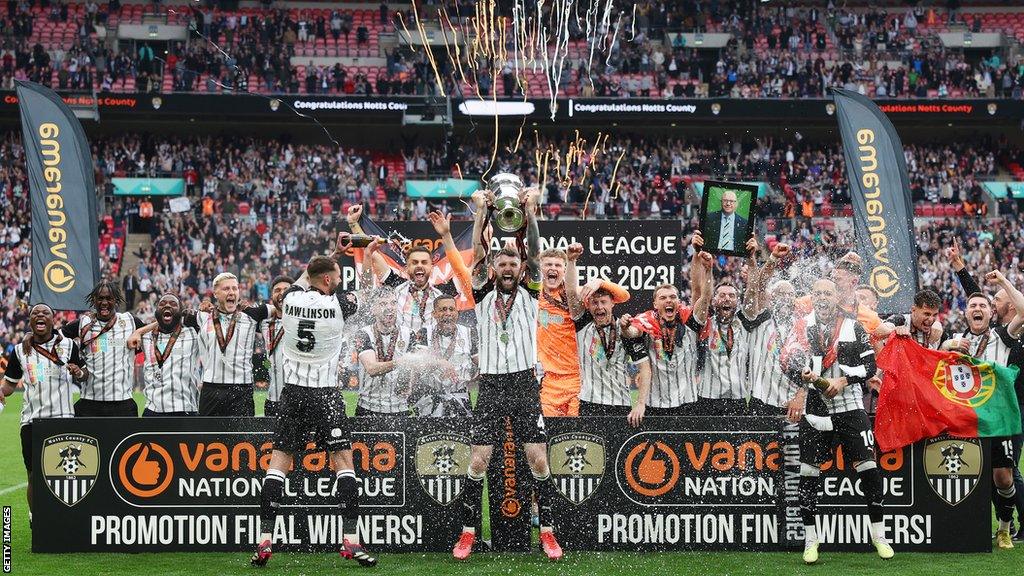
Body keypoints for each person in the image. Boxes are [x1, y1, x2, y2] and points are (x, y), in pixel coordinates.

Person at [452, 186, 563, 561]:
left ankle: (547, 532)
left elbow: (533, 250)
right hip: (492, 385)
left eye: (513, 264)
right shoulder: (481, 294)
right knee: (479, 460)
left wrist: (530, 212)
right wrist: (481, 211)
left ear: (520, 269)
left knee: (538, 459)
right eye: (503, 264)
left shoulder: (532, 293)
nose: (508, 267)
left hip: (523, 383)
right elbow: (479, 255)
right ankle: (468, 532)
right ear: (495, 269)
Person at [252, 238, 377, 568]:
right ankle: (350, 539)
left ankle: (265, 539)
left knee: (278, 464)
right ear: (328, 280)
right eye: (336, 275)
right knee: (343, 463)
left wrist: (334, 254)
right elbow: (365, 293)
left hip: (292, 394)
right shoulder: (338, 305)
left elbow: (306, 275)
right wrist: (368, 254)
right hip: (326, 394)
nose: (339, 279)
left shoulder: (290, 299)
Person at [782, 278, 893, 564]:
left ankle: (879, 535)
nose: (822, 297)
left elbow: (870, 366)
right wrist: (803, 378)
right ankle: (811, 539)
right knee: (808, 473)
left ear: (835, 297)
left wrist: (844, 379)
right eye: (817, 292)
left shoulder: (852, 325)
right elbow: (788, 361)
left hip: (850, 406)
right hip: (815, 409)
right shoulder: (801, 326)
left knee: (868, 468)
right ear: (812, 297)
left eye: (827, 293)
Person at [939, 271, 1024, 550]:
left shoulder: (1002, 336)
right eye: (972, 306)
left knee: (1004, 476)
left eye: (983, 306)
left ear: (991, 313)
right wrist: (948, 345)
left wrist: (1003, 283)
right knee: (972, 474)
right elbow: (933, 362)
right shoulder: (955, 339)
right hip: (967, 419)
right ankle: (971, 528)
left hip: (998, 419)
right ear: (965, 313)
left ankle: (1003, 528)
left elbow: (1022, 313)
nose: (977, 309)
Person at [0, 304, 87, 518]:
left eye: (45, 313)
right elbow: (10, 384)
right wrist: (1, 391)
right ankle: (36, 516)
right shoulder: (20, 350)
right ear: (30, 321)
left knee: (66, 475)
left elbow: (84, 374)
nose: (40, 315)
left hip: (63, 419)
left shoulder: (68, 345)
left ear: (53, 320)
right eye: (35, 313)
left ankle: (65, 517)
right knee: (33, 475)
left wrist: (79, 372)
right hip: (32, 421)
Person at [349, 206, 471, 342]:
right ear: (407, 268)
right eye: (415, 262)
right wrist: (353, 224)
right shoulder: (395, 286)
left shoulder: (443, 293)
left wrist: (446, 235)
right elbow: (372, 254)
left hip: (432, 353)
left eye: (424, 262)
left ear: (431, 267)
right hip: (400, 352)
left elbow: (463, 269)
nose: (419, 265)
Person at [563, 243, 650, 424]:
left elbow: (645, 368)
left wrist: (640, 404)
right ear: (588, 306)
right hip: (589, 405)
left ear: (613, 304)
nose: (599, 307)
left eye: (603, 302)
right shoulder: (583, 325)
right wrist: (571, 261)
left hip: (621, 405)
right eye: (594, 303)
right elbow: (571, 292)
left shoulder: (625, 328)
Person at [535, 245, 626, 417]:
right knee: (549, 435)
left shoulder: (575, 296)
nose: (552, 268)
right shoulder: (533, 296)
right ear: (541, 268)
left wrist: (600, 282)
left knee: (575, 435)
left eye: (557, 265)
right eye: (548, 265)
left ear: (564, 270)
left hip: (578, 378)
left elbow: (623, 296)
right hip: (549, 379)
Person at [59, 281, 146, 416]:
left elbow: (157, 333)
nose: (104, 302)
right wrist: (77, 361)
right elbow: (56, 338)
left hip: (122, 403)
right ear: (94, 300)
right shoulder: (84, 323)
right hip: (90, 402)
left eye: (109, 298)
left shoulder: (130, 321)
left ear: (116, 300)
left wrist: (139, 332)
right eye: (100, 298)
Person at [192, 272, 273, 417]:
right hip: (211, 389)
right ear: (215, 293)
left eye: (235, 289)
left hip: (241, 391)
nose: (231, 292)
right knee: (206, 438)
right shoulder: (202, 316)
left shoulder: (251, 315)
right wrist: (139, 332)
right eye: (226, 289)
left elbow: (282, 306)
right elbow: (172, 319)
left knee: (242, 439)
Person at [696, 237, 759, 415]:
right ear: (715, 301)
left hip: (738, 402)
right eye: (722, 295)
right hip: (708, 401)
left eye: (731, 296)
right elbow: (704, 295)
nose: (726, 299)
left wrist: (751, 258)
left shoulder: (744, 324)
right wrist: (708, 270)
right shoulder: (706, 323)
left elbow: (753, 292)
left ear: (737, 301)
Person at [742, 242, 803, 416]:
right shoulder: (762, 319)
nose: (785, 298)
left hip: (793, 403)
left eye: (789, 294)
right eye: (780, 294)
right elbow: (759, 286)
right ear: (772, 298)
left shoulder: (802, 325)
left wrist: (801, 393)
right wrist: (773, 259)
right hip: (762, 400)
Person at [135, 293, 203, 416]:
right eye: (162, 304)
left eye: (173, 304)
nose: (167, 305)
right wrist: (138, 332)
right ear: (156, 311)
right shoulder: (145, 336)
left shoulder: (194, 333)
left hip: (186, 410)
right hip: (153, 411)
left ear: (181, 312)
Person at [409, 295, 476, 417]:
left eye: (451, 309)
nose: (448, 313)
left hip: (460, 397)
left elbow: (480, 364)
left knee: (460, 436)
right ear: (434, 314)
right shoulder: (425, 332)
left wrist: (472, 375)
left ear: (457, 312)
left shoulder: (469, 332)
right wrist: (440, 362)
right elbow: (418, 362)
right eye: (443, 309)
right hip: (429, 399)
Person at [356, 287, 415, 418]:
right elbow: (371, 368)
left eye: (393, 303)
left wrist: (409, 382)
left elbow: (412, 369)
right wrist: (401, 363)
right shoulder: (364, 333)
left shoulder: (409, 334)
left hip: (400, 408)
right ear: (373, 309)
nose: (390, 307)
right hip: (368, 407)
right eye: (383, 303)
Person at [261, 276, 294, 418]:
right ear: (272, 296)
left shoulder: (305, 321)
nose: (281, 293)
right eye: (277, 290)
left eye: (286, 290)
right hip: (272, 400)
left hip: (297, 401)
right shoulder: (263, 323)